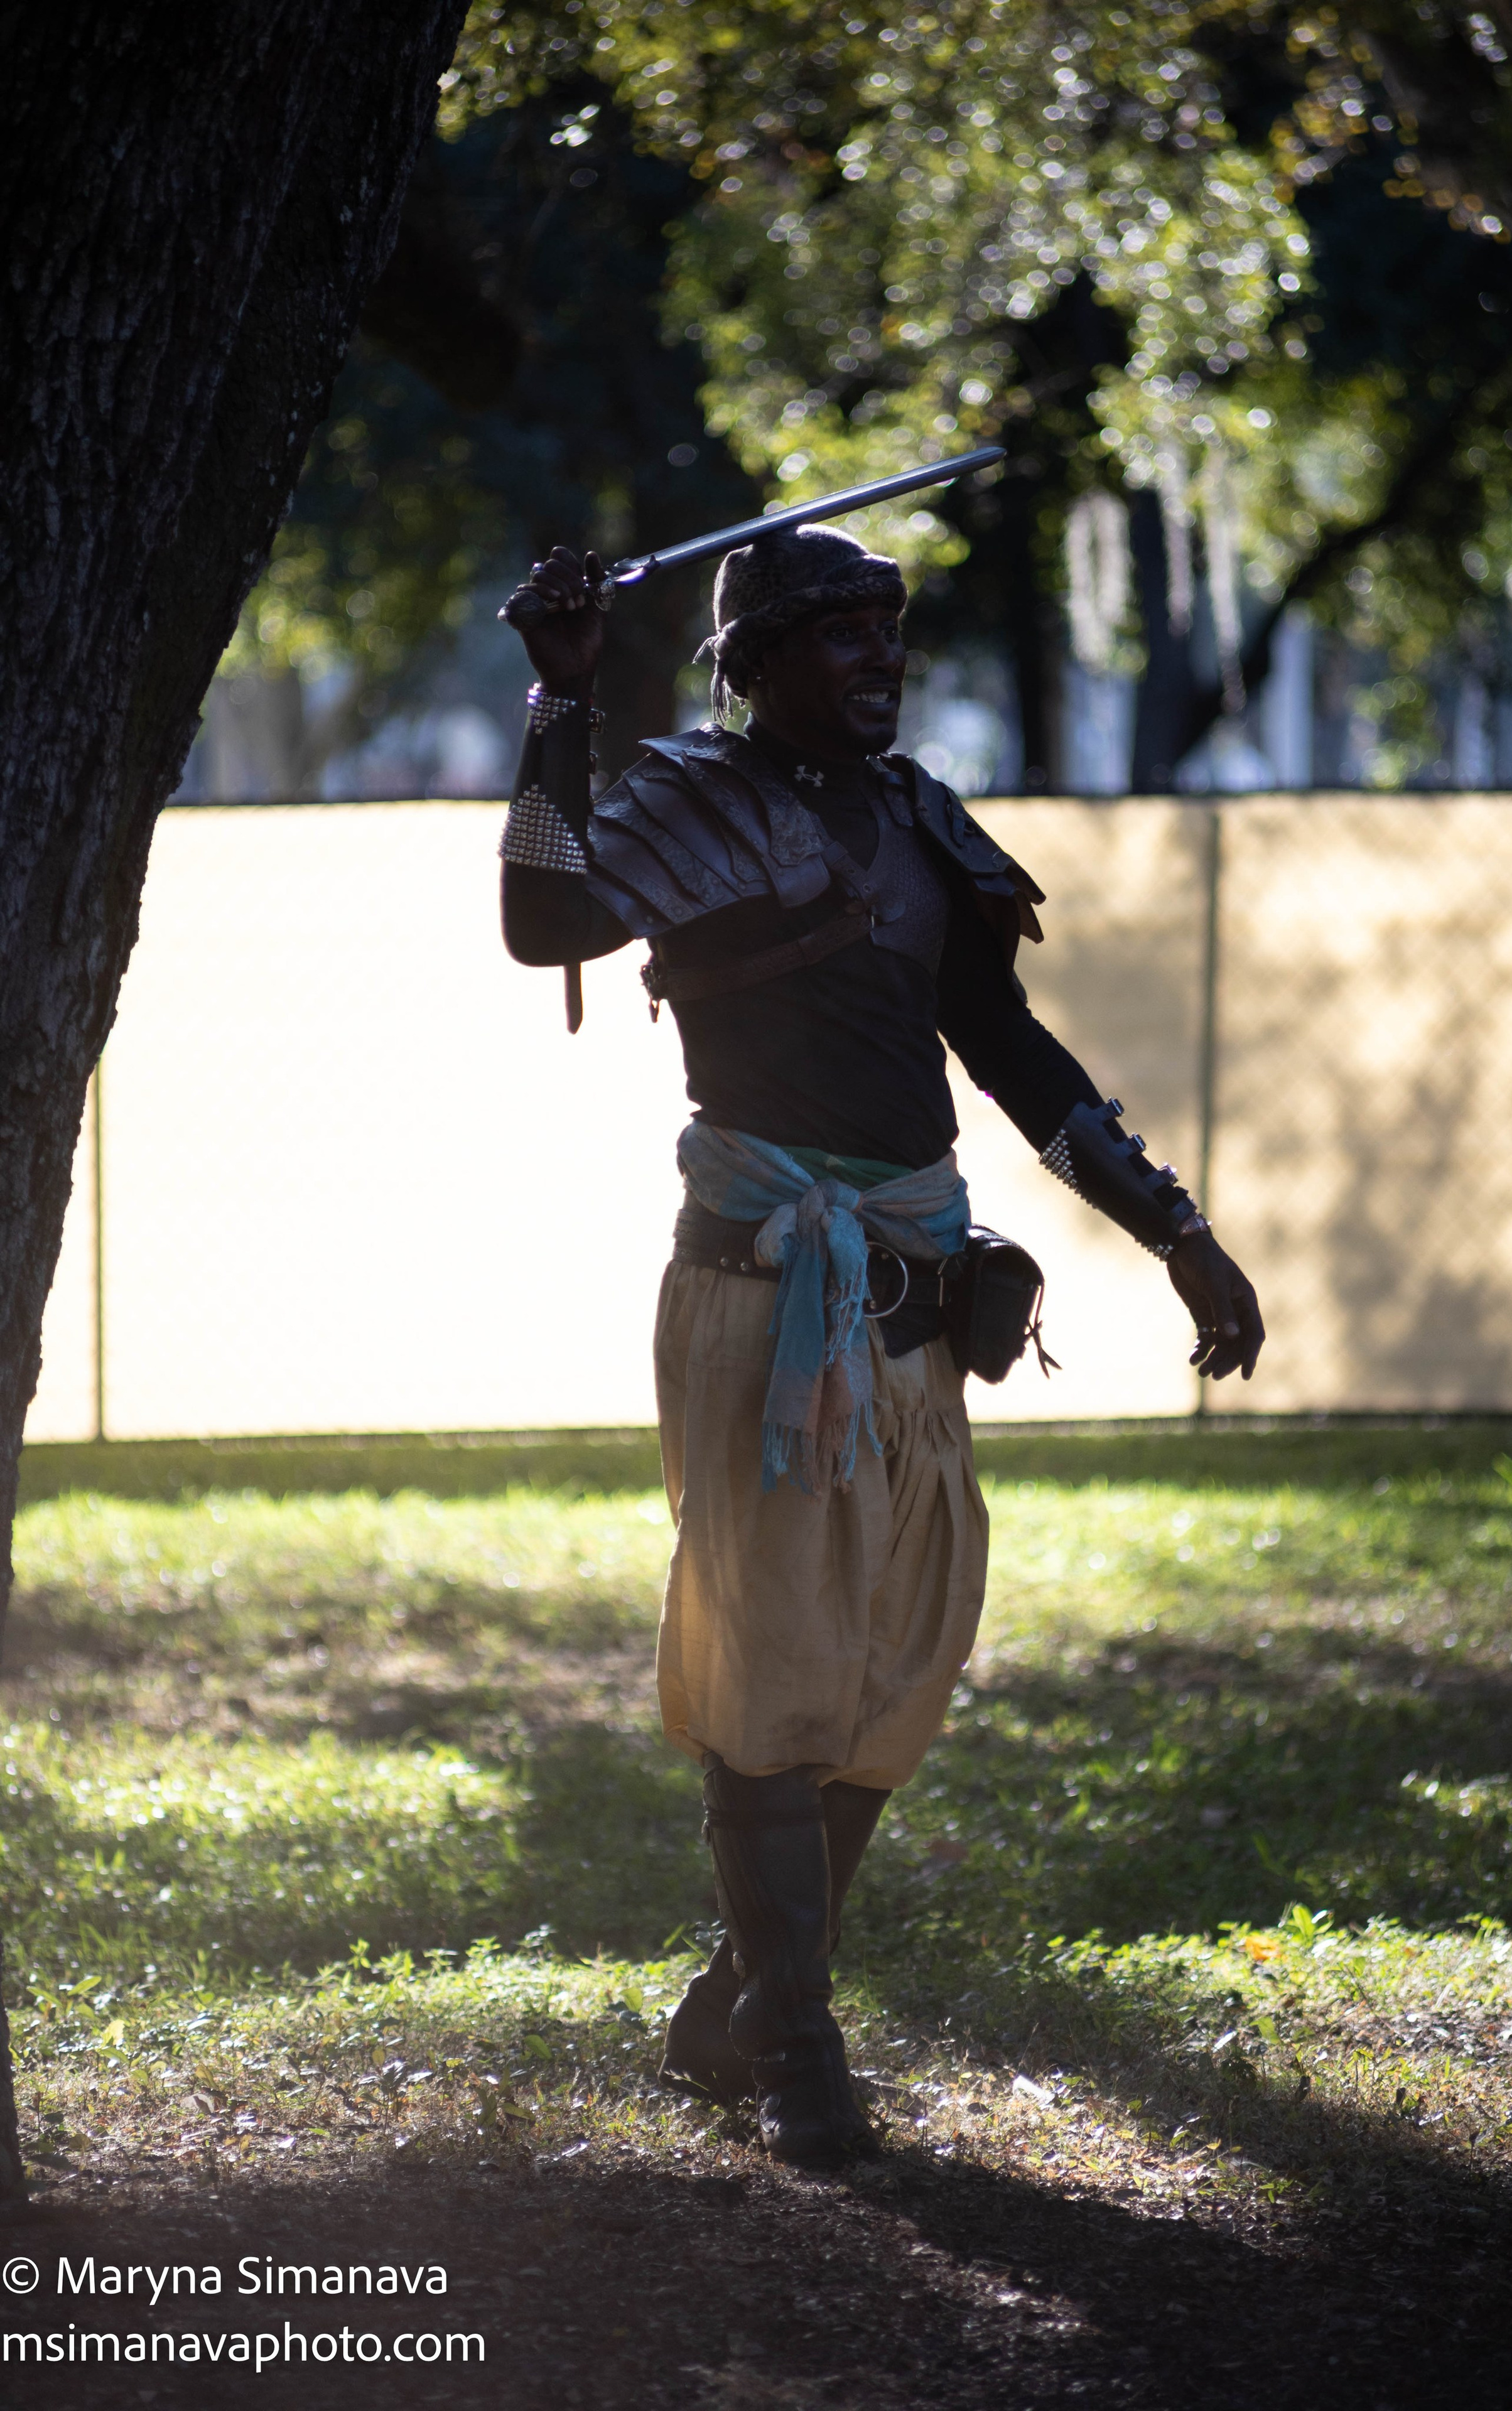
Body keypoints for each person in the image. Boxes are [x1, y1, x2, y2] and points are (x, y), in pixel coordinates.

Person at [496, 526, 1263, 2168]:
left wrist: (1179, 1232)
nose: (875, 661)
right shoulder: (690, 797)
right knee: (774, 1667)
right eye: (837, 638)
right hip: (762, 1297)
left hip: (913, 1291)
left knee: (891, 1668)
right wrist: (559, 705)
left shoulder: (920, 822)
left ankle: (736, 1998)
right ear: (752, 662)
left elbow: (1016, 1056)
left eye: (887, 634)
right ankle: (800, 2049)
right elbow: (547, 919)